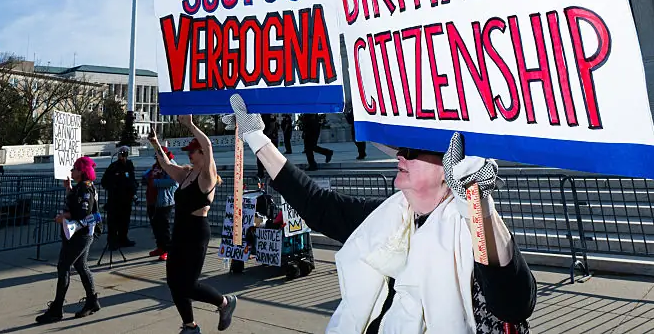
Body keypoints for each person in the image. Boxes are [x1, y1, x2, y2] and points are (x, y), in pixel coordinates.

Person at [227, 98, 536, 333]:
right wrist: (257, 137)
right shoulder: (387, 217)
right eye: (400, 148)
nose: (400, 155)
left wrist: (476, 202)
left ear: (448, 170)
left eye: (412, 151)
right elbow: (315, 203)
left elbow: (515, 303)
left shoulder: (467, 227)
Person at [147, 116, 237, 334]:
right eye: (189, 150)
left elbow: (208, 144)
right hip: (179, 232)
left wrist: (190, 124)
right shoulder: (186, 174)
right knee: (173, 282)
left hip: (196, 233)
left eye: (193, 150)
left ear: (203, 155)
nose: (190, 152)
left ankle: (225, 303)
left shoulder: (208, 176)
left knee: (188, 284)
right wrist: (155, 143)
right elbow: (166, 164)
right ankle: (190, 326)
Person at [36, 156, 102, 323]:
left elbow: (82, 212)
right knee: (80, 265)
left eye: (74, 168)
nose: (72, 171)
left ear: (82, 171)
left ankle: (57, 309)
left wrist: (64, 216)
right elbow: (77, 203)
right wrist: (69, 189)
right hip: (82, 233)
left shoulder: (86, 189)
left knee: (64, 266)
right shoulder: (81, 187)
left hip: (81, 234)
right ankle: (92, 301)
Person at [143, 146, 178, 260]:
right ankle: (160, 247)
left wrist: (156, 182)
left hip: (164, 201)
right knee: (155, 226)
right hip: (152, 200)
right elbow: (150, 175)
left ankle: (167, 250)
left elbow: (173, 181)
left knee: (163, 227)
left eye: (158, 156)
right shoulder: (156, 165)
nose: (156, 159)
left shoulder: (171, 165)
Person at [101, 146, 138, 248]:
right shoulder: (113, 166)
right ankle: (112, 242)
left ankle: (123, 239)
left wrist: (134, 189)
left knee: (124, 221)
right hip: (115, 199)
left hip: (126, 199)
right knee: (113, 222)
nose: (122, 156)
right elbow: (104, 182)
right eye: (121, 154)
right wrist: (113, 187)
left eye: (124, 154)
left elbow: (132, 179)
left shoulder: (129, 165)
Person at [255, 114, 280, 179]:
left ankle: (274, 175)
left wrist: (263, 135)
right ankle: (260, 174)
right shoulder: (262, 114)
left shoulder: (269, 114)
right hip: (265, 139)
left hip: (270, 139)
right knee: (260, 156)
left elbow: (271, 126)